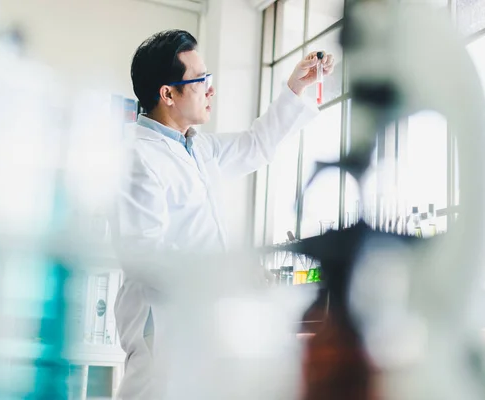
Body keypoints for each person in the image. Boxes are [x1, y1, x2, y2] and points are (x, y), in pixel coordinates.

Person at [114, 29, 334, 400]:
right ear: (167, 94)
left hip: (202, 329)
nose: (210, 90)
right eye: (201, 82)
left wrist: (295, 88)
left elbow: (256, 144)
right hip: (165, 334)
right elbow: (144, 256)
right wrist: (230, 272)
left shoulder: (198, 149)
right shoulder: (138, 156)